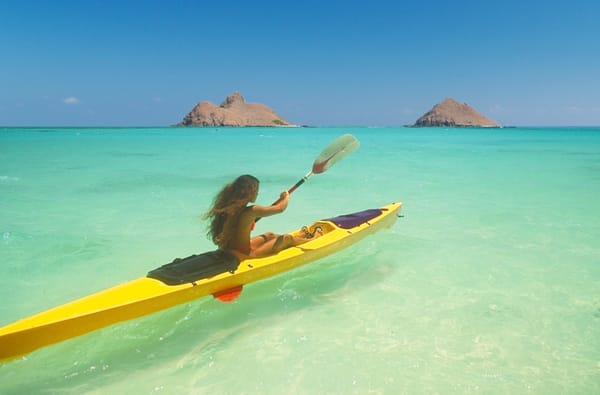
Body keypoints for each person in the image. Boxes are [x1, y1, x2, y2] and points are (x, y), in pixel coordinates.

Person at [203, 174, 321, 258]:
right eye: (256, 190)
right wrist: (286, 197)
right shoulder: (252, 210)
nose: (258, 193)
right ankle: (313, 239)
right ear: (249, 192)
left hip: (231, 250)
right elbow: (280, 209)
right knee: (286, 239)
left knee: (269, 235)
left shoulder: (230, 208)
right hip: (245, 253)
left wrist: (281, 199)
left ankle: (302, 235)